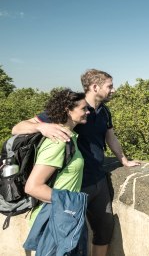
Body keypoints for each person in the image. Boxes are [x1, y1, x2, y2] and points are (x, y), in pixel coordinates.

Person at [13, 69, 140, 256]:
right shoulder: (73, 107)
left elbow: (110, 137)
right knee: (70, 238)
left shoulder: (103, 111)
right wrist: (41, 126)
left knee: (104, 229)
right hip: (75, 183)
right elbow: (18, 128)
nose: (113, 90)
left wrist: (123, 160)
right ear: (95, 87)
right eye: (110, 86)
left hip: (98, 178)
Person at [24, 88, 89, 254]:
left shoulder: (69, 137)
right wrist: (73, 203)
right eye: (83, 108)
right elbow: (33, 187)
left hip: (62, 217)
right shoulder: (58, 142)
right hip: (53, 219)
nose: (88, 112)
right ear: (68, 110)